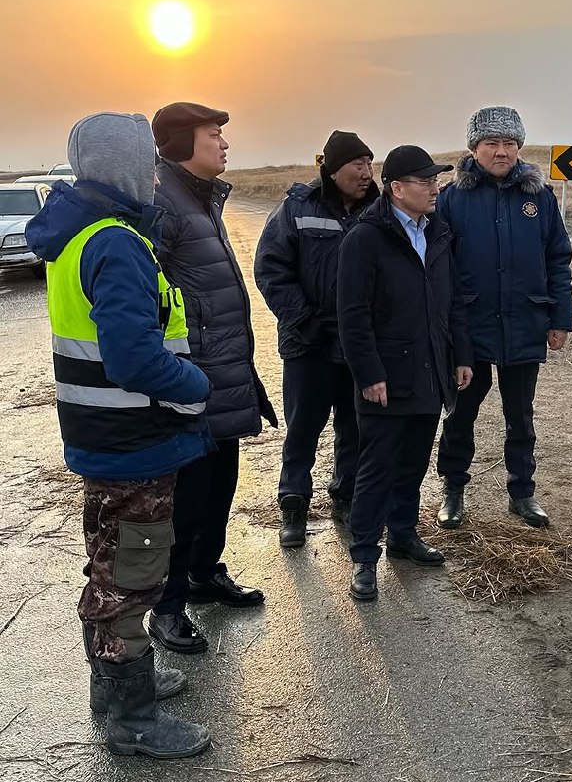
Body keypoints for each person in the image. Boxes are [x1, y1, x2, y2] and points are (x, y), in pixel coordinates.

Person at [25, 112, 211, 758]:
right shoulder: (116, 241)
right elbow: (134, 358)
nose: (156, 177)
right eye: (147, 164)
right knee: (132, 576)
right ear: (124, 168)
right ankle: (132, 719)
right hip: (135, 439)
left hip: (105, 436)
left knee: (112, 564)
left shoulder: (79, 235)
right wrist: (195, 385)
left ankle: (113, 690)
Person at [146, 102, 278, 655]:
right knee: (187, 499)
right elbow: (151, 299)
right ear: (182, 142)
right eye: (213, 134)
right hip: (190, 379)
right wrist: (174, 374)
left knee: (221, 485)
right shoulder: (163, 202)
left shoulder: (201, 198)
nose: (224, 144)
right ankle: (167, 606)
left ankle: (203, 573)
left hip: (222, 372)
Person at [337, 145, 473, 602]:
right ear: (397, 188)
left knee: (413, 463)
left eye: (436, 181)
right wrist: (368, 373)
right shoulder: (365, 238)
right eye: (425, 181)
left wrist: (461, 356)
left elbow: (452, 302)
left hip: (430, 371)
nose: (435, 189)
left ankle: (403, 535)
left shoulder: (438, 232)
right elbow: (352, 314)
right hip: (386, 378)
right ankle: (363, 556)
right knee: (376, 468)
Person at [433, 106, 572, 530]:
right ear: (474, 148)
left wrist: (560, 318)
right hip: (469, 326)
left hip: (525, 319)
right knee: (461, 413)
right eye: (491, 143)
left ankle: (522, 492)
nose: (501, 152)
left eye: (509, 143)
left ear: (519, 147)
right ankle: (453, 489)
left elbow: (558, 258)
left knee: (521, 415)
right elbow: (438, 267)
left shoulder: (540, 197)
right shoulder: (451, 199)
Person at [254, 131, 378, 548]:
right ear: (334, 169)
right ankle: (293, 504)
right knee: (303, 428)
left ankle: (346, 497)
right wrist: (302, 320)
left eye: (369, 163)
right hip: (308, 342)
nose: (366, 172)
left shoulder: (378, 210)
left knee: (354, 426)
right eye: (357, 164)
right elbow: (271, 268)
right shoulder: (297, 207)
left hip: (358, 344)